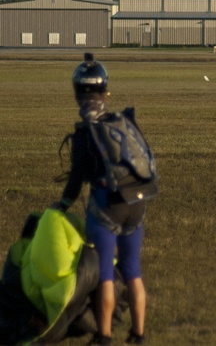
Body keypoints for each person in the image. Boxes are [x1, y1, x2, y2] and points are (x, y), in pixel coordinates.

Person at [54, 53, 150, 345]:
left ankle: (104, 335)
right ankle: (138, 333)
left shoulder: (85, 133)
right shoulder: (125, 121)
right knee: (132, 269)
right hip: (137, 201)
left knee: (105, 272)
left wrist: (60, 207)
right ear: (105, 90)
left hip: (108, 205)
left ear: (77, 92)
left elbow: (75, 182)